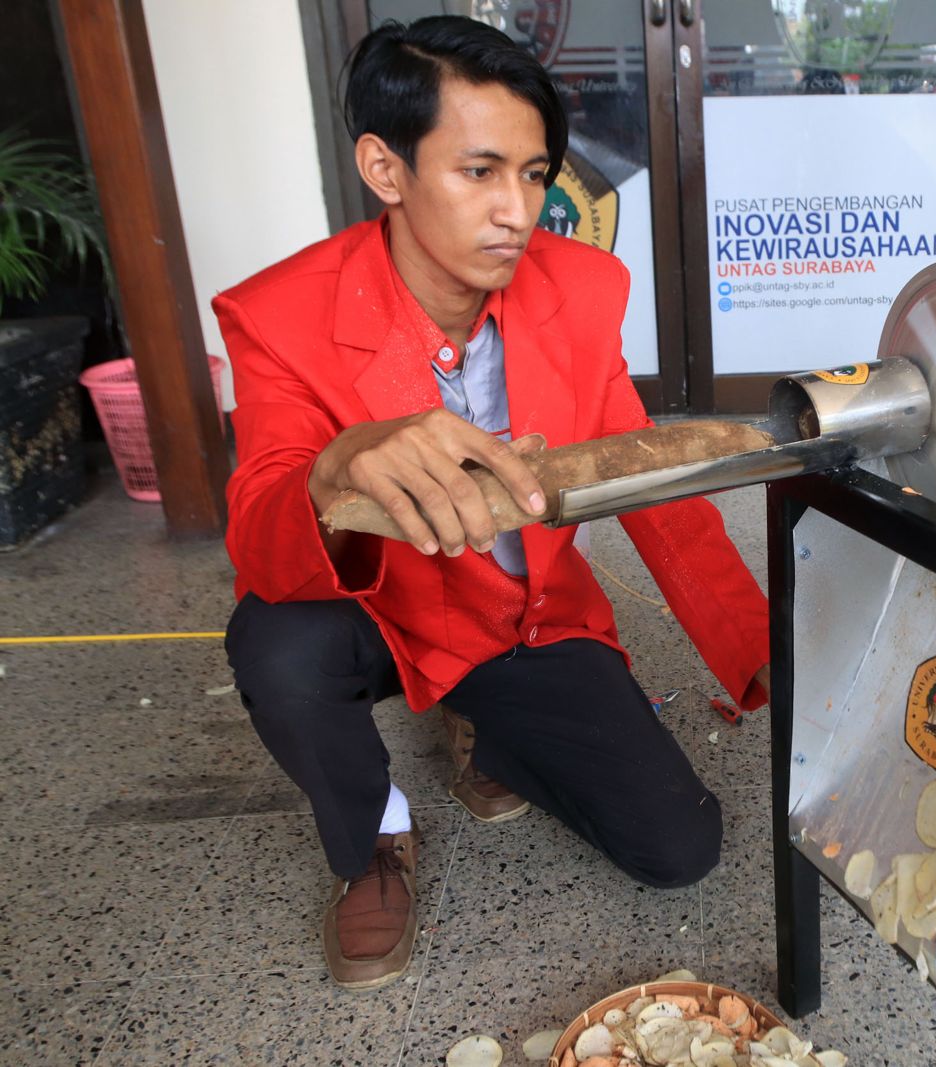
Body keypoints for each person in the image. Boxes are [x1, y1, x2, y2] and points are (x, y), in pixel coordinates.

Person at [215, 16, 770, 990]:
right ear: (386, 170)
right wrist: (338, 462)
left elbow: (652, 489)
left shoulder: (584, 289)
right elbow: (260, 531)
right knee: (275, 640)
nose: (517, 210)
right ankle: (373, 839)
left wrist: (764, 653)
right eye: (478, 172)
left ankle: (489, 725)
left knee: (678, 849)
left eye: (535, 171)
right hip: (380, 613)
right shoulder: (279, 315)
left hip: (526, 619)